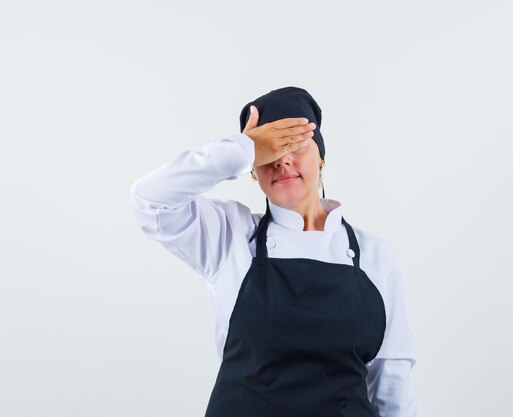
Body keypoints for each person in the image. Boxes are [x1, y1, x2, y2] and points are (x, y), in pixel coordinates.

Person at [129, 86, 418, 417]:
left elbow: (392, 385)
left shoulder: (374, 255)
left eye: (295, 143)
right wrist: (240, 150)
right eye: (269, 151)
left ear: (322, 157)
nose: (282, 160)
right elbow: (149, 199)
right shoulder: (230, 236)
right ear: (252, 169)